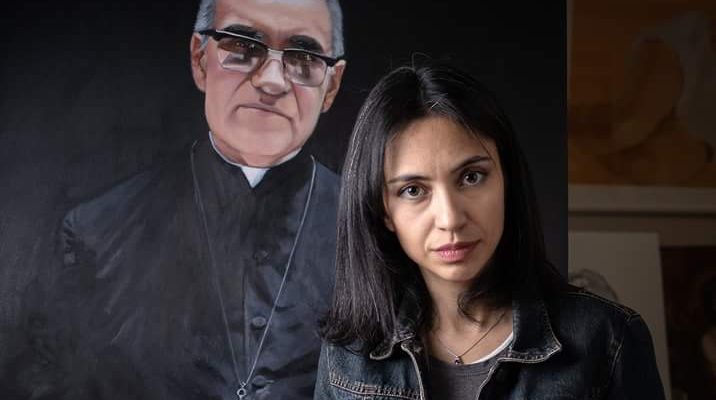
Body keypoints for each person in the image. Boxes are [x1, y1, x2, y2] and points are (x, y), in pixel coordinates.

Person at [7, 0, 346, 399]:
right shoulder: (94, 233)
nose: (272, 81)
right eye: (242, 46)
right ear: (200, 60)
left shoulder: (377, 230)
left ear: (331, 86)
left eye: (303, 57)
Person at [314, 64, 665, 399]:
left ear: (506, 180)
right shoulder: (349, 353)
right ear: (383, 211)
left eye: (471, 177)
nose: (450, 218)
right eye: (413, 190)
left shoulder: (607, 339)